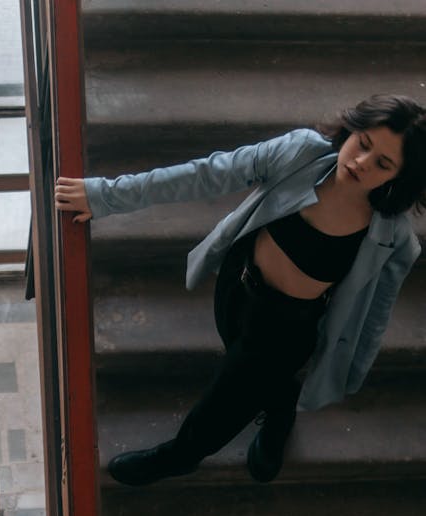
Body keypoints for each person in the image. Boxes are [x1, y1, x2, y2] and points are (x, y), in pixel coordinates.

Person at [54, 94, 426, 484]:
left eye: (382, 163)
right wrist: (106, 195)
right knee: (252, 371)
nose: (360, 162)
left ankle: (182, 455)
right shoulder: (301, 152)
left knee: (224, 403)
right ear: (352, 130)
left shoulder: (391, 236)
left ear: (398, 177)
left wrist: (350, 370)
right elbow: (204, 174)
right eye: (362, 143)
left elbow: (377, 310)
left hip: (286, 328)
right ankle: (280, 409)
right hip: (238, 285)